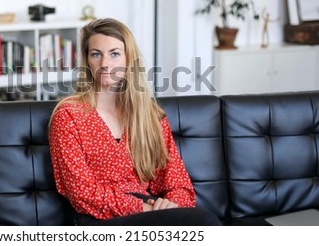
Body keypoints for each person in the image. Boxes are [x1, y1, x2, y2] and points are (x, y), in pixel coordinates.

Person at [48, 18, 220, 226]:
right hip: (98, 219)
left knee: (203, 221)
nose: (105, 64)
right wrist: (144, 209)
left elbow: (177, 182)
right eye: (96, 54)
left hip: (150, 212)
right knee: (205, 222)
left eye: (114, 53)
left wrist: (171, 206)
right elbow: (81, 192)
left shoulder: (149, 115)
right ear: (87, 61)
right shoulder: (68, 116)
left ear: (129, 60)